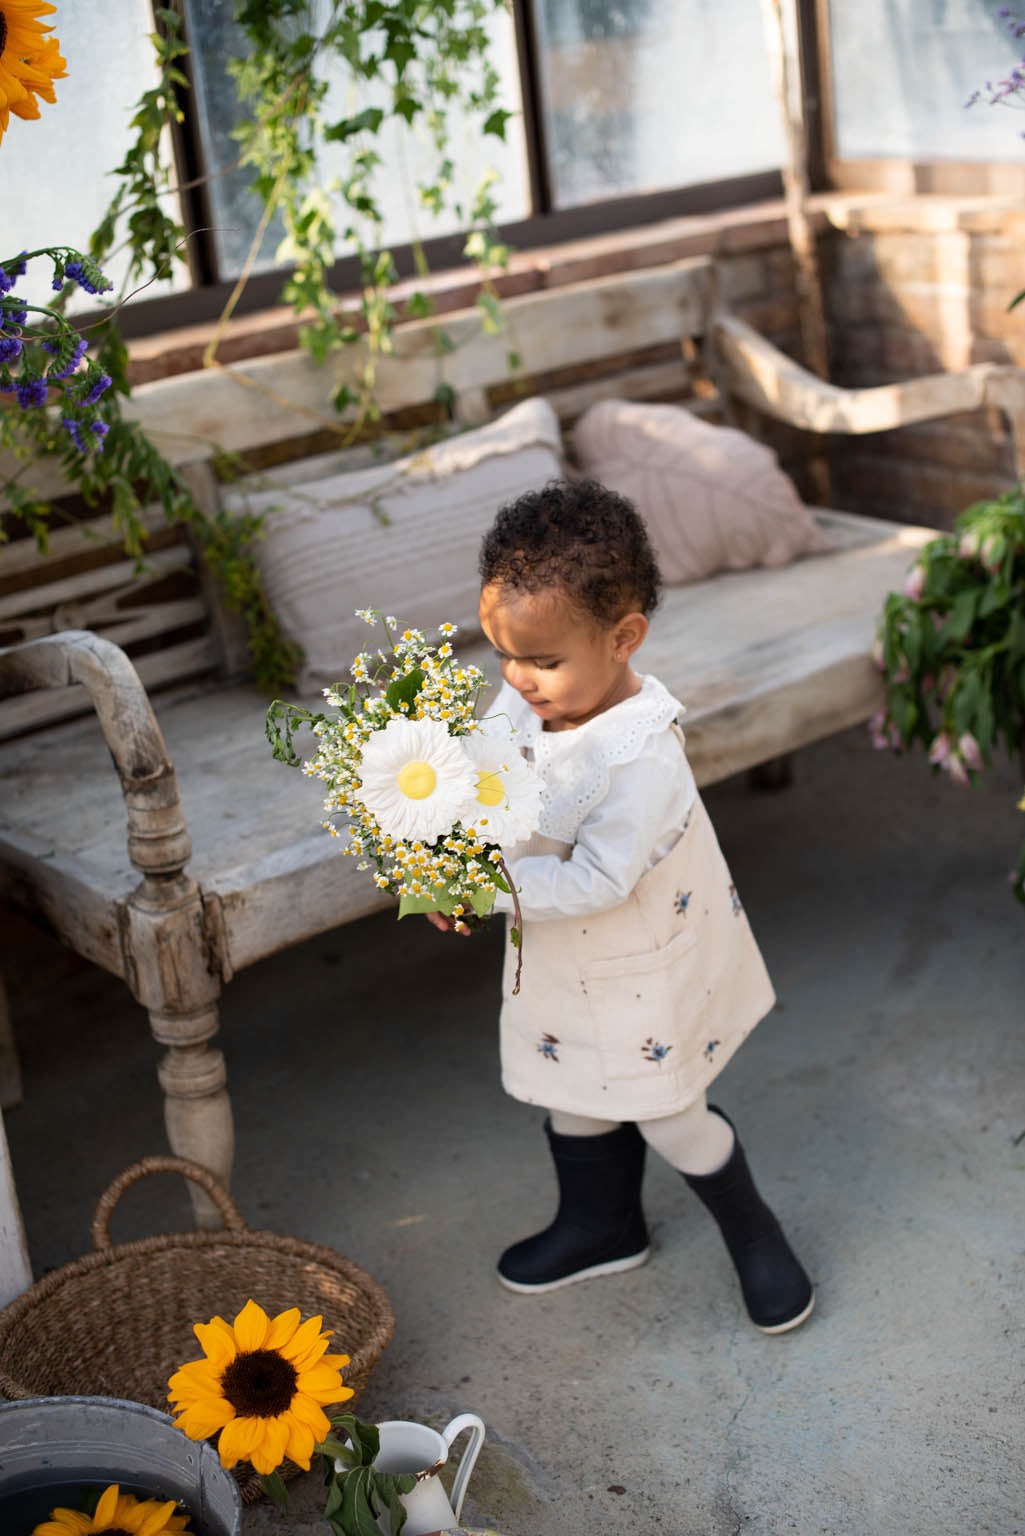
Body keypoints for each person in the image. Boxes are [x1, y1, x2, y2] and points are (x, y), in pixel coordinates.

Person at [428, 478, 814, 1334]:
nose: (516, 678)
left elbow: (598, 881)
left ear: (623, 637)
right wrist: (443, 851)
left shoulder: (639, 758)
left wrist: (486, 889)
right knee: (571, 1085)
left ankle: (754, 1232)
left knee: (665, 1107)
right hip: (560, 959)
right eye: (502, 654)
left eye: (541, 661)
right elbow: (488, 763)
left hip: (635, 963)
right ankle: (600, 1226)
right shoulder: (531, 692)